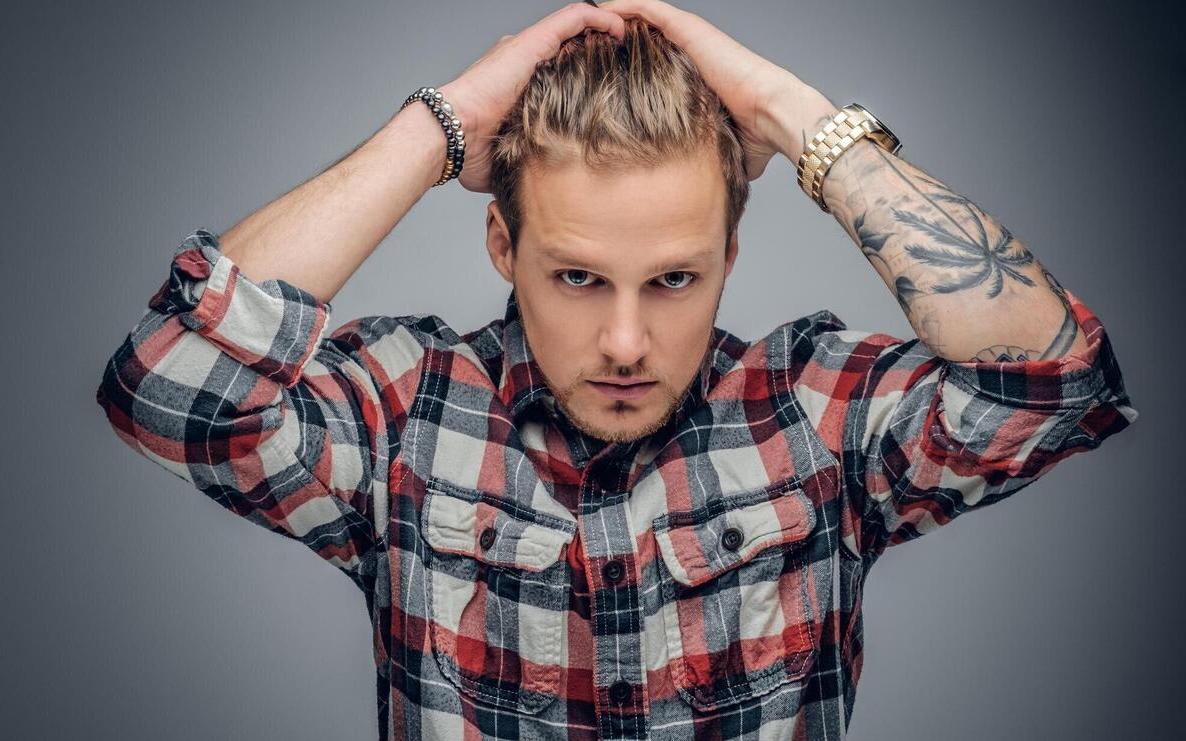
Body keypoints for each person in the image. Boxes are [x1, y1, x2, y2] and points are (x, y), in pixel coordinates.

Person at [95, 1, 1138, 738]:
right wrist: (438, 126)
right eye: (580, 277)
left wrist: (796, 119)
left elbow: (1048, 383)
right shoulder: (407, 412)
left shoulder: (815, 413)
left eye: (675, 279)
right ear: (502, 246)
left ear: (732, 255)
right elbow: (168, 384)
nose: (628, 343)